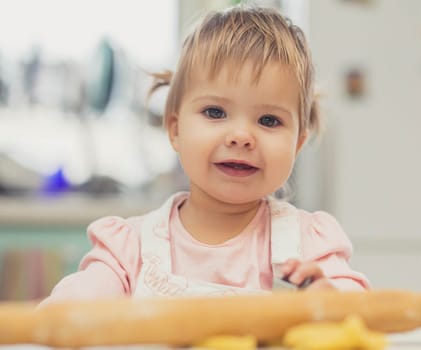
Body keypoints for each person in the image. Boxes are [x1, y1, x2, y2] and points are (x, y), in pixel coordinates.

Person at [40, 5, 369, 305]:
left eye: (269, 120)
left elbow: (358, 310)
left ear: (297, 143)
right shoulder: (130, 249)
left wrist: (328, 299)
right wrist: (71, 307)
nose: (241, 137)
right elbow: (75, 306)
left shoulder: (309, 243)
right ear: (175, 129)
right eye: (215, 112)